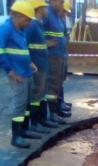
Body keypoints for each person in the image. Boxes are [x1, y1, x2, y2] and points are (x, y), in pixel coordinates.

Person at [0, 1, 38, 148]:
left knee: (27, 102)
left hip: (26, 71)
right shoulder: (6, 29)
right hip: (17, 73)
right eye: (28, 19)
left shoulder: (20, 30)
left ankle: (24, 130)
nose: (29, 23)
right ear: (20, 16)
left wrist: (29, 62)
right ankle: (16, 137)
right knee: (19, 105)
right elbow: (0, 51)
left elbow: (22, 50)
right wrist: (10, 71)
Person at [26, 0, 59, 134]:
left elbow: (38, 44)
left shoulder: (38, 24)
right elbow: (25, 45)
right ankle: (35, 123)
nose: (47, 9)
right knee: (36, 95)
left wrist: (47, 44)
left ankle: (41, 120)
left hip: (42, 64)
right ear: (39, 8)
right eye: (44, 7)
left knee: (42, 94)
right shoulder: (32, 25)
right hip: (37, 65)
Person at [44, 0, 69, 123]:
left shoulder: (56, 15)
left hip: (60, 55)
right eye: (60, 2)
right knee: (53, 85)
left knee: (58, 84)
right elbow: (35, 33)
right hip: (52, 56)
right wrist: (46, 43)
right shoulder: (47, 14)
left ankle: (57, 109)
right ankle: (52, 114)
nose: (62, 4)